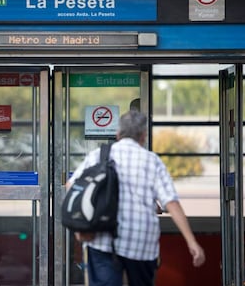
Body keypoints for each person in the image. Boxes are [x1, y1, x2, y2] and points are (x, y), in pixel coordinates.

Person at [67, 110, 206, 286]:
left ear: (118, 134)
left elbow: (72, 186)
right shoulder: (151, 161)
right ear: (143, 136)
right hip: (141, 242)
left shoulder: (99, 156)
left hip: (102, 239)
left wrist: (82, 223)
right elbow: (171, 202)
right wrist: (192, 242)